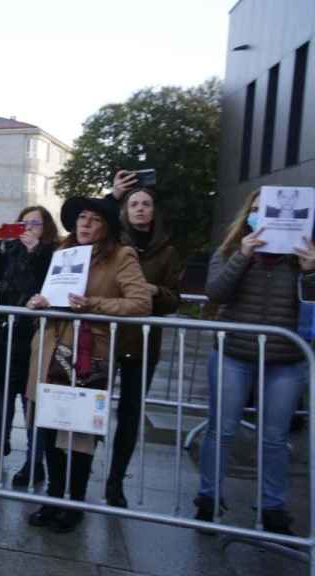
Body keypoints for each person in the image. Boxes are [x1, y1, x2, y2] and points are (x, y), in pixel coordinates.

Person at [24, 196, 151, 533]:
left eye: (95, 219)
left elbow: (140, 303)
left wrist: (92, 304)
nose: (85, 224)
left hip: (87, 354)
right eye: (82, 218)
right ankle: (53, 496)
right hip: (51, 348)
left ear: (107, 226)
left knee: (79, 431)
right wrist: (40, 301)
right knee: (49, 427)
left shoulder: (122, 256)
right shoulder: (63, 253)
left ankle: (74, 502)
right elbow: (54, 294)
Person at [195, 190, 315, 536]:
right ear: (247, 216)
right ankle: (208, 498)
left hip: (285, 360)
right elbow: (216, 292)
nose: (264, 219)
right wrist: (243, 256)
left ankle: (272, 506)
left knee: (275, 437)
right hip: (234, 354)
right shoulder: (231, 249)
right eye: (258, 212)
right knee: (221, 430)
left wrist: (310, 272)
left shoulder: (303, 256)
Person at [104, 171, 182, 507]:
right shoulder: (112, 242)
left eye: (145, 204)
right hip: (104, 338)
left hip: (142, 343)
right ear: (125, 209)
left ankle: (115, 481)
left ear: (153, 211)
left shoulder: (166, 251)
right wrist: (113, 194)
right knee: (92, 406)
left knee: (130, 413)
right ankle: (79, 471)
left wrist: (153, 292)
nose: (139, 208)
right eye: (133, 203)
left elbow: (174, 297)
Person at [0, 206, 59, 487]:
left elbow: (49, 281)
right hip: (5, 331)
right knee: (2, 394)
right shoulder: (11, 249)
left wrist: (35, 250)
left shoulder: (52, 252)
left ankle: (34, 460)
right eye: (24, 223)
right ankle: (0, 443)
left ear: (46, 226)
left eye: (35, 223)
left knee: (31, 401)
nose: (28, 228)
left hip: (35, 334)